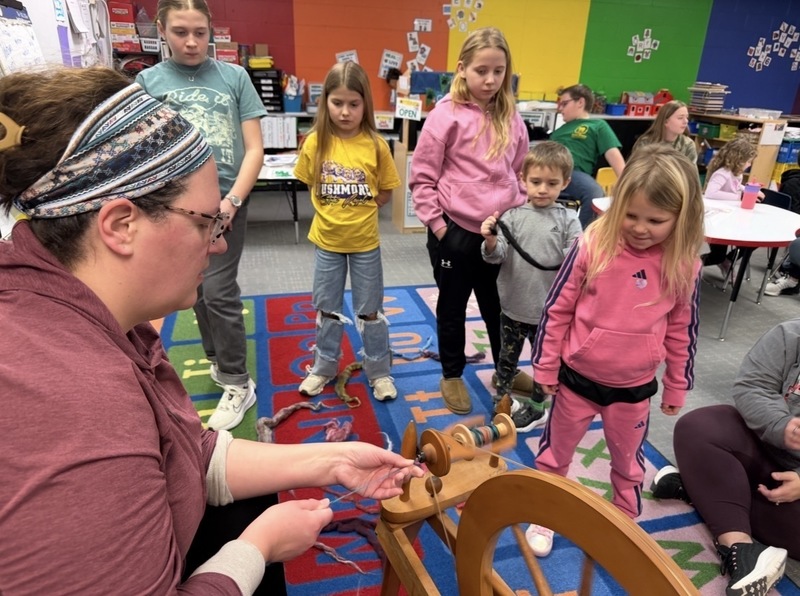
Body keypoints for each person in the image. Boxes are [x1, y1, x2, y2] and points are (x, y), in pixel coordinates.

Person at [0, 66, 423, 595]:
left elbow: (184, 451)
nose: (219, 244)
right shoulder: (76, 406)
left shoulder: (91, 315)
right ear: (120, 226)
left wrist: (332, 459)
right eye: (205, 223)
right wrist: (257, 547)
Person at [527, 144, 704, 557]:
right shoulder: (594, 243)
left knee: (628, 462)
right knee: (556, 453)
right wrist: (545, 365)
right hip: (576, 378)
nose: (641, 228)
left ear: (681, 218)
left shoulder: (683, 263)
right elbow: (558, 308)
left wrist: (677, 386)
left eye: (656, 220)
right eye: (631, 215)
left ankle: (625, 517)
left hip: (634, 387)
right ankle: (544, 512)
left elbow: (682, 330)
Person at [136, 0, 266, 432]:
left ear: (213, 31)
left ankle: (237, 380)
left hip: (227, 204)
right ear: (161, 29)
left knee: (219, 289)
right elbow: (143, 151)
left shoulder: (234, 77)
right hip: (175, 207)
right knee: (194, 290)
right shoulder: (147, 82)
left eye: (199, 32)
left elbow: (254, 148)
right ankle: (215, 358)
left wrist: (233, 202)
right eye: (179, 32)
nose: (191, 42)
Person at [410, 27, 531, 415]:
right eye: (482, 70)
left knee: (500, 306)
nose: (491, 79)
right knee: (452, 306)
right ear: (462, 69)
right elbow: (423, 177)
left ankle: (505, 370)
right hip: (455, 230)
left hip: (499, 233)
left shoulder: (511, 117)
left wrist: (516, 211)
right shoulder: (445, 116)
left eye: (499, 71)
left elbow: (519, 173)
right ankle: (451, 373)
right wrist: (441, 228)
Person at [651, 319, 799, 595]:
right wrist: (781, 425)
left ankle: (706, 489)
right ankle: (740, 545)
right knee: (699, 426)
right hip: (763, 450)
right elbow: (751, 387)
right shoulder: (789, 334)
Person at [293, 61, 401, 401]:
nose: (344, 111)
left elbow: (386, 190)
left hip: (365, 242)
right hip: (327, 242)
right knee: (327, 307)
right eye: (337, 103)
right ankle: (324, 367)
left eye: (353, 104)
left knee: (370, 309)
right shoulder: (314, 143)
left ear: (365, 103)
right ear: (325, 102)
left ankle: (379, 371)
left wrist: (361, 207)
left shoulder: (376, 145)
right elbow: (310, 182)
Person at [479, 142, 582, 431]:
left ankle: (538, 408)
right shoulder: (511, 217)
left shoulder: (568, 220)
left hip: (549, 314)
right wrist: (489, 240)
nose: (542, 190)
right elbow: (496, 256)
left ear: (565, 183)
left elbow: (578, 260)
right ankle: (503, 401)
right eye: (535, 182)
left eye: (552, 183)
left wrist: (577, 251)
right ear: (523, 179)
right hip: (512, 308)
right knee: (506, 361)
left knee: (545, 364)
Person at [550, 83, 625, 229]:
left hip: (571, 173)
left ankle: (580, 240)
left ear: (580, 102)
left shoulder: (597, 125)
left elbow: (614, 157)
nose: (560, 109)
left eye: (564, 104)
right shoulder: (558, 131)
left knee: (595, 193)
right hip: (546, 167)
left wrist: (628, 185)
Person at [702, 137, 764, 276]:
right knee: (717, 255)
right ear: (738, 159)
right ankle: (687, 266)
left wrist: (745, 189)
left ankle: (727, 260)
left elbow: (734, 186)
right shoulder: (722, 173)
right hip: (718, 220)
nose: (749, 165)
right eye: (747, 161)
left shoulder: (737, 173)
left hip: (729, 215)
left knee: (753, 241)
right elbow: (710, 193)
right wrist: (737, 197)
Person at [631, 100, 698, 165]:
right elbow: (635, 170)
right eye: (680, 118)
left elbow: (691, 174)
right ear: (666, 122)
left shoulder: (688, 145)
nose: (686, 121)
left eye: (687, 117)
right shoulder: (645, 143)